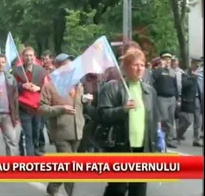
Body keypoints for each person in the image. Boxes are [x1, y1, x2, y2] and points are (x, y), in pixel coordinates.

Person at [98, 48, 160, 196]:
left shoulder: (150, 91)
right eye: (135, 65)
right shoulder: (112, 88)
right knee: (118, 188)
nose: (139, 69)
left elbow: (154, 120)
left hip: (142, 149)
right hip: (119, 146)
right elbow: (102, 114)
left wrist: (156, 145)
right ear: (125, 67)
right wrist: (122, 110)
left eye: (142, 65)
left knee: (138, 190)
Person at [39, 53, 86, 196]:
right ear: (58, 67)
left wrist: (85, 99)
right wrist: (60, 109)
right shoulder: (50, 86)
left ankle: (53, 185)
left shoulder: (78, 84)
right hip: (61, 132)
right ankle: (68, 192)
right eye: (66, 64)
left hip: (78, 129)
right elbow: (42, 108)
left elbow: (79, 104)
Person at [13, 47, 49, 156]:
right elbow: (12, 87)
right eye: (26, 55)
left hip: (37, 107)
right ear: (23, 57)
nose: (29, 58)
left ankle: (34, 150)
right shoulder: (17, 71)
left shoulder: (41, 71)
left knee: (36, 132)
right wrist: (22, 85)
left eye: (31, 55)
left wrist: (39, 88)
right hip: (24, 107)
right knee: (28, 134)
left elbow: (47, 87)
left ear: (34, 57)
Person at [152, 51, 179, 148]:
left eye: (169, 59)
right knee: (163, 119)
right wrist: (161, 68)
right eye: (165, 59)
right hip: (161, 98)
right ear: (161, 60)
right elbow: (154, 77)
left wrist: (177, 98)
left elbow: (175, 85)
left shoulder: (172, 72)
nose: (167, 61)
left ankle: (169, 140)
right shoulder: (158, 71)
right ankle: (161, 139)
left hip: (171, 98)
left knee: (171, 120)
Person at [176, 57, 203, 147]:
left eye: (199, 65)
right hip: (188, 99)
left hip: (198, 99)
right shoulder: (186, 73)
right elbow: (184, 85)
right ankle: (178, 135)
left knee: (198, 120)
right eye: (195, 64)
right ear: (192, 64)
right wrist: (192, 77)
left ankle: (196, 139)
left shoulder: (201, 73)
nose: (197, 66)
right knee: (187, 120)